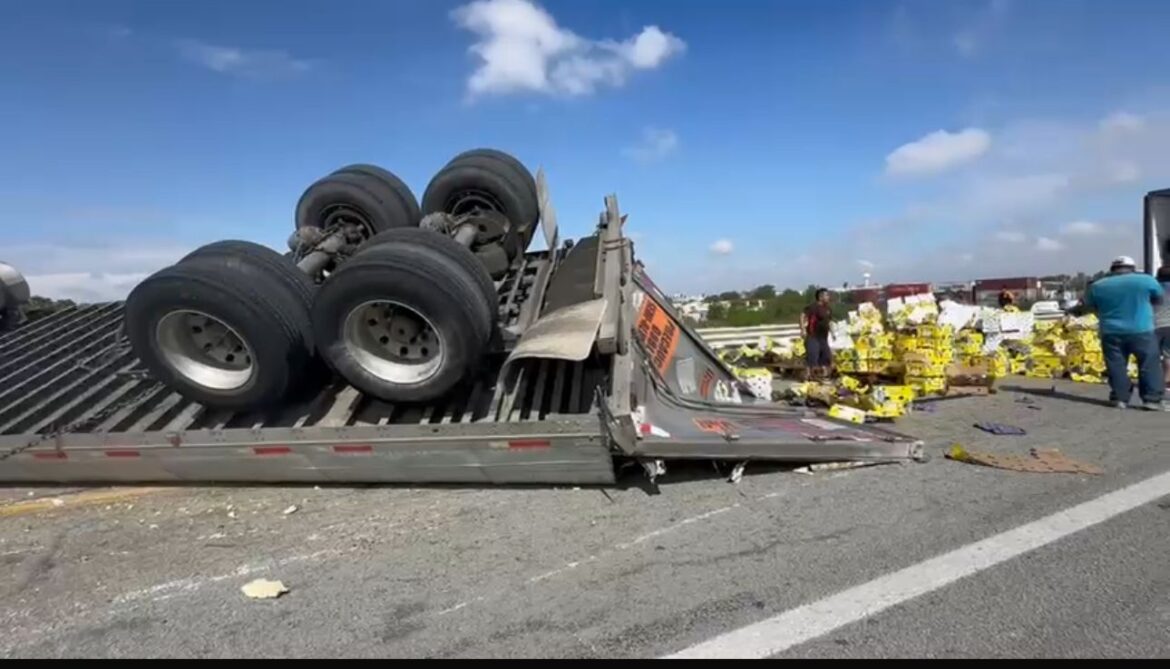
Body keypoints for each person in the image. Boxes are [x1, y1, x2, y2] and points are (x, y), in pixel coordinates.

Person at [1082, 256, 1166, 410]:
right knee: (1148, 364)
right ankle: (1151, 400)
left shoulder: (1098, 285)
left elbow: (1090, 305)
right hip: (1142, 330)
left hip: (1111, 332)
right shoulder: (1146, 280)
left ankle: (1120, 399)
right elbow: (1158, 300)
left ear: (1112, 269)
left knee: (1116, 365)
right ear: (1132, 268)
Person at [801, 288, 833, 380]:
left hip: (823, 337)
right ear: (820, 296)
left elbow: (829, 321)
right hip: (813, 336)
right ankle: (808, 376)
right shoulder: (813, 307)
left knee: (826, 355)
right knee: (812, 356)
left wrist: (833, 332)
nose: (828, 297)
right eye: (826, 295)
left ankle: (823, 375)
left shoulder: (828, 308)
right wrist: (802, 329)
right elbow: (803, 315)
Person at [1156, 265, 1170, 386]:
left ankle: (1154, 380)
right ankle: (1167, 381)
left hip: (1153, 325)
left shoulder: (1154, 288)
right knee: (1168, 355)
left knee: (1152, 355)